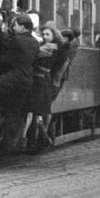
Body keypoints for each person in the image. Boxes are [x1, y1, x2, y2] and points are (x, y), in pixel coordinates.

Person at [0, 13, 38, 150]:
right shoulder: (35, 42)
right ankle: (10, 143)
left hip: (16, 75)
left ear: (22, 27)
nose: (13, 28)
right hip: (27, 79)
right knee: (15, 110)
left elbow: (5, 53)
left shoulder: (17, 41)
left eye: (15, 25)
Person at [23, 22, 62, 150]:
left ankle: (34, 139)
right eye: (43, 34)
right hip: (42, 80)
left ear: (53, 36)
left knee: (34, 111)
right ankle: (41, 138)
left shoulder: (49, 47)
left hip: (40, 80)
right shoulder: (51, 46)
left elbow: (34, 54)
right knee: (37, 112)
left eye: (48, 34)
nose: (45, 36)